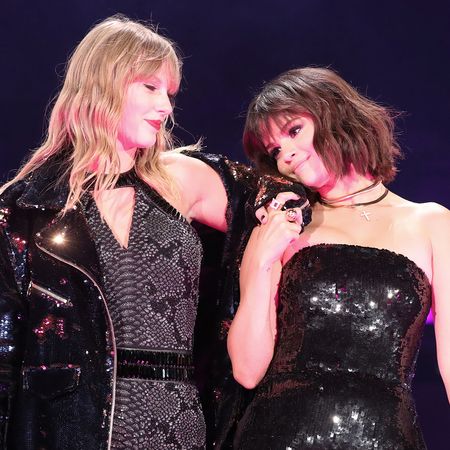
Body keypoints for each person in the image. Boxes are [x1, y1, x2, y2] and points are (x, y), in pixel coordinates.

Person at [0, 15, 297, 449]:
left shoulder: (181, 179)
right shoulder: (26, 207)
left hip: (177, 422)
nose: (166, 107)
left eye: (169, 94)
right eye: (150, 87)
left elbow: (281, 199)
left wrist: (260, 266)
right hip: (70, 427)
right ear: (104, 83)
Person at [227, 67, 450, 449]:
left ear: (334, 114)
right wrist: (263, 257)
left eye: (294, 131)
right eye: (275, 151)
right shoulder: (284, 227)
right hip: (277, 434)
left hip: (385, 437)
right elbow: (247, 371)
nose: (287, 156)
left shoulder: (432, 222)